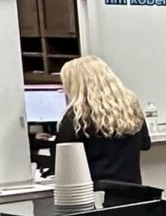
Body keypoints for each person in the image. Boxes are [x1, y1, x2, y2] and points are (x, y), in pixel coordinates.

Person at [55, 55, 151, 187]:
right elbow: (145, 144)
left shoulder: (76, 117)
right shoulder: (131, 108)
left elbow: (64, 158)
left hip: (96, 194)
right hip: (132, 191)